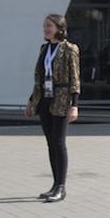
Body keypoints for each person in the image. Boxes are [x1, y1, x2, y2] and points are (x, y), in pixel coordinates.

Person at [25, 13, 80, 203]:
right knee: (50, 143)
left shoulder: (69, 49)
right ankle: (54, 184)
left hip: (62, 100)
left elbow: (75, 79)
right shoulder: (44, 48)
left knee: (59, 142)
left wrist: (74, 105)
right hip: (45, 99)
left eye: (49, 26)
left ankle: (61, 187)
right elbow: (39, 78)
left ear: (59, 28)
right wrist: (32, 101)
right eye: (44, 26)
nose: (46, 29)